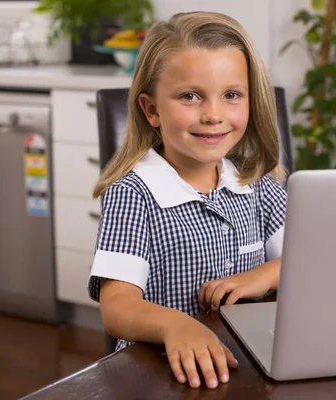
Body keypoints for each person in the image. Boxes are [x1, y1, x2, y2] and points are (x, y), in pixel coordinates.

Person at [87, 11, 287, 390]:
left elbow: (312, 257)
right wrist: (175, 325)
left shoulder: (256, 182)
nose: (213, 115)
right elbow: (116, 307)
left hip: (247, 364)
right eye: (190, 96)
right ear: (151, 110)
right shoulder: (133, 194)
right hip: (163, 375)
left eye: (231, 95)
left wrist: (261, 276)